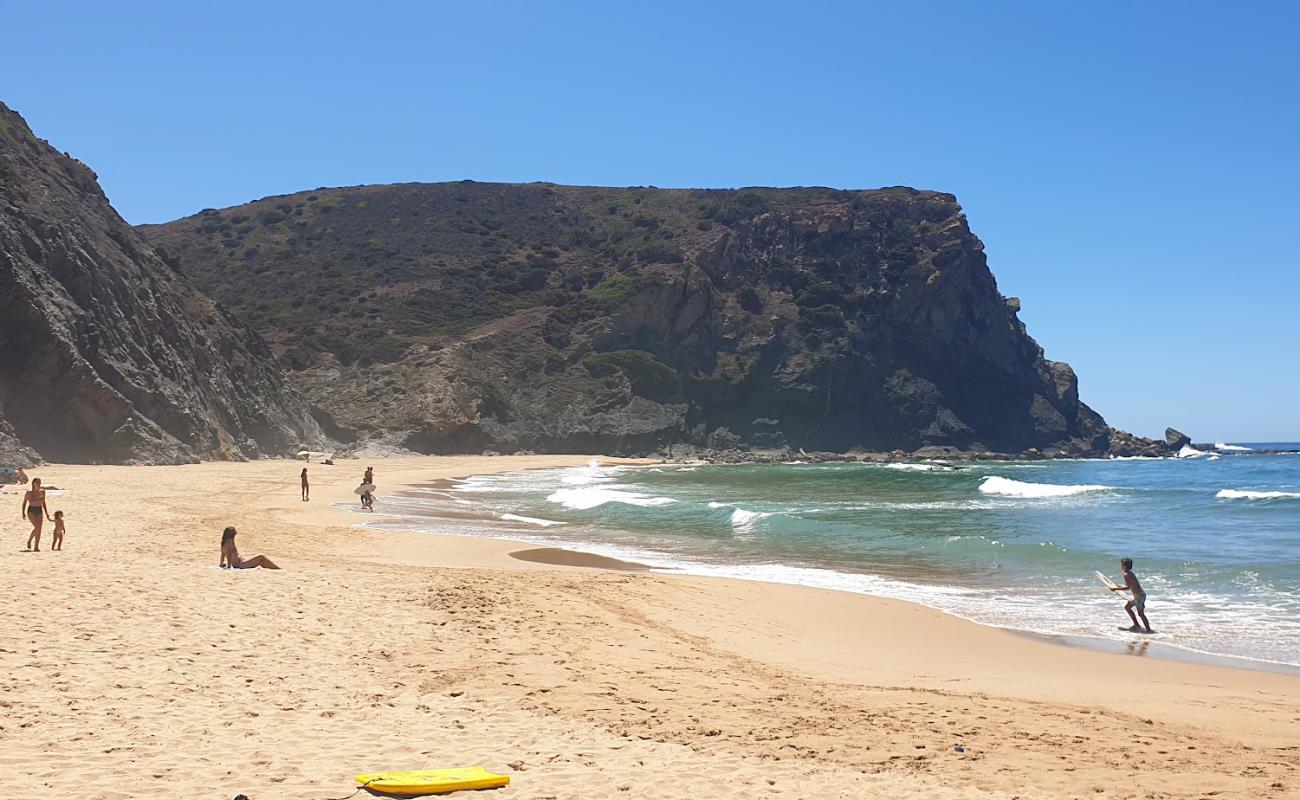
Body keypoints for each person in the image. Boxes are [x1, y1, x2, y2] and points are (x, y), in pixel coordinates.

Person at [1109, 557, 1152, 633]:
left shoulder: (1126, 574)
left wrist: (1116, 589)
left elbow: (1128, 587)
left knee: (1141, 614)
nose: (1121, 566)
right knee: (1127, 607)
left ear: (1124, 566)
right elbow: (1129, 585)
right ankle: (1136, 625)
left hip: (1139, 596)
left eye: (1121, 565)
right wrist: (1118, 586)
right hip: (1140, 595)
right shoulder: (1130, 573)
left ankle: (1148, 630)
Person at [22, 477, 52, 551]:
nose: (39, 484)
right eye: (37, 482)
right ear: (33, 483)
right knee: (37, 527)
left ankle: (36, 547)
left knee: (39, 528)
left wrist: (46, 513)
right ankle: (29, 540)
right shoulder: (29, 493)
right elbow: (24, 503)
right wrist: (23, 513)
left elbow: (43, 503)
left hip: (39, 510)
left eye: (40, 482)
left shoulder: (42, 492)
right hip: (31, 510)